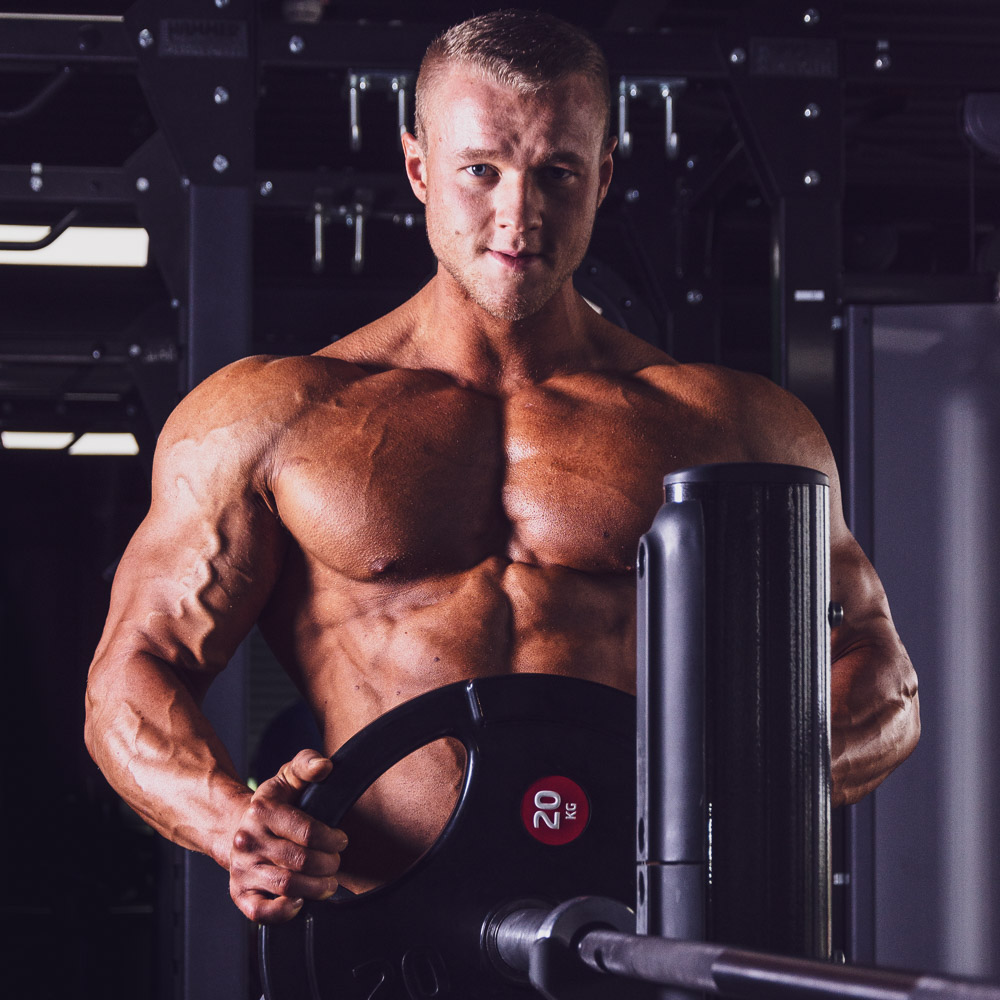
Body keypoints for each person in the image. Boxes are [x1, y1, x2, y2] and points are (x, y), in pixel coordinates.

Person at [84, 9, 919, 925]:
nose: (518, 215)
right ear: (419, 168)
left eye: (557, 171)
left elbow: (879, 675)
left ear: (602, 177)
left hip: (647, 926)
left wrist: (744, 805)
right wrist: (231, 821)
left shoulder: (735, 425)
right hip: (390, 934)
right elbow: (135, 671)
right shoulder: (272, 417)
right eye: (480, 170)